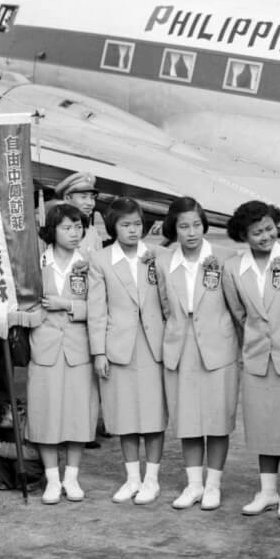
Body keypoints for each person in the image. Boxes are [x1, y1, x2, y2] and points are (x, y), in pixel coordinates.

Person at [222, 200, 280, 520]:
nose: (265, 236)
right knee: (261, 427)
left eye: (269, 228)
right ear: (244, 235)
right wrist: (255, 342)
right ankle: (267, 491)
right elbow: (239, 313)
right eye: (257, 232)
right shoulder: (233, 268)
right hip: (257, 356)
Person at [156, 197, 240, 511]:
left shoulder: (226, 258)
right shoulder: (163, 262)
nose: (191, 232)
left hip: (218, 347)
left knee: (218, 420)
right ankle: (193, 485)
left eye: (196, 224)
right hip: (180, 347)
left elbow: (237, 307)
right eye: (183, 226)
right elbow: (163, 305)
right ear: (173, 228)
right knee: (187, 419)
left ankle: (214, 485)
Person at [88, 197, 167, 505]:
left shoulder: (158, 255)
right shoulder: (101, 259)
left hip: (154, 345)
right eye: (125, 225)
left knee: (153, 415)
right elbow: (97, 309)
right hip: (118, 346)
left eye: (137, 224)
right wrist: (99, 352)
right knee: (123, 415)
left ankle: (152, 479)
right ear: (113, 227)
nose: (133, 230)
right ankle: (132, 478)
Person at [26, 203, 100, 505]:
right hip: (44, 346)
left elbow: (100, 307)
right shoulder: (35, 262)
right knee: (45, 412)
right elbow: (23, 304)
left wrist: (67, 305)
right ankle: (52, 478)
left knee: (78, 413)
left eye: (78, 227)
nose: (74, 233)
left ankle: (72, 476)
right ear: (52, 230)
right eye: (67, 228)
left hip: (78, 347)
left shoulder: (90, 262)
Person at [0, 391, 45, 493]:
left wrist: (6, 449)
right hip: (18, 456)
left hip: (36, 462)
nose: (9, 418)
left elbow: (34, 453)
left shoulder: (29, 419)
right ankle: (10, 482)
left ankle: (34, 482)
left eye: (7, 411)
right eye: (1, 420)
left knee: (20, 464)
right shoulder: (5, 430)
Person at [53, 171, 104, 257]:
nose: (90, 203)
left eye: (92, 198)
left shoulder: (92, 231)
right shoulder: (54, 231)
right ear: (67, 198)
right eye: (83, 197)